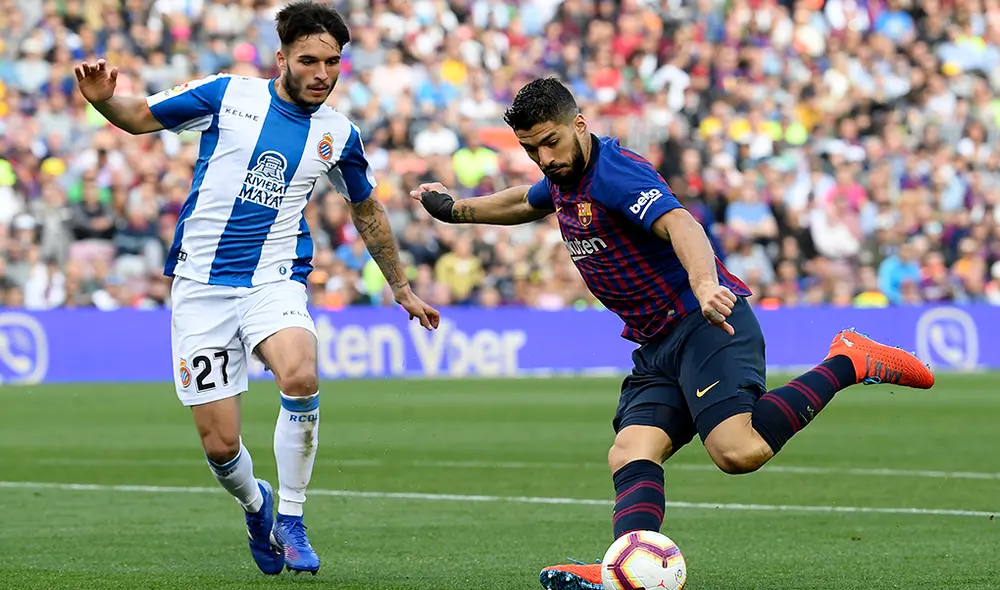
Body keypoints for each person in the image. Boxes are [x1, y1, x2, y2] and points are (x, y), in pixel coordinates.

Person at [410, 78, 934, 590]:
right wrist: (455, 210)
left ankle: (850, 361)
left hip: (705, 323)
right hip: (656, 341)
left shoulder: (614, 174)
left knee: (738, 452)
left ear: (580, 124)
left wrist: (706, 285)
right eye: (532, 149)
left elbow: (682, 223)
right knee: (631, 449)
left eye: (550, 142)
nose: (544, 158)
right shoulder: (562, 176)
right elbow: (526, 202)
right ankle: (628, 569)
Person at [74, 0, 440, 577]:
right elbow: (140, 115)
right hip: (200, 286)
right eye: (310, 60)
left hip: (274, 279)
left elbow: (366, 208)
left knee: (300, 372)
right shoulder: (227, 95)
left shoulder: (338, 134)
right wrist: (102, 101)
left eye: (333, 62)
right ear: (282, 58)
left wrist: (401, 286)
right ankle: (257, 504)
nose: (323, 74)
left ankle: (292, 517)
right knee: (221, 447)